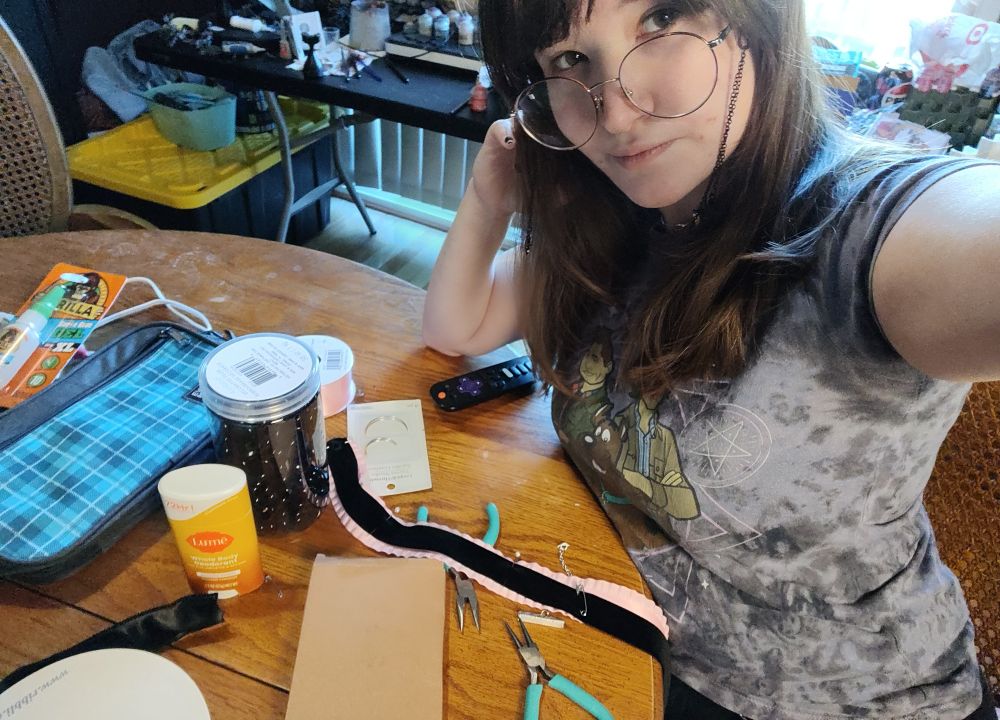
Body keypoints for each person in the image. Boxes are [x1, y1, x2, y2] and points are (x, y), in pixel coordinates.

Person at [421, 0, 1000, 718]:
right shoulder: (621, 214)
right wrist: (490, 197)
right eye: (570, 60)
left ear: (755, 19)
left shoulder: (864, 223)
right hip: (639, 652)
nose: (618, 114)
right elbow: (456, 325)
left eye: (661, 20)